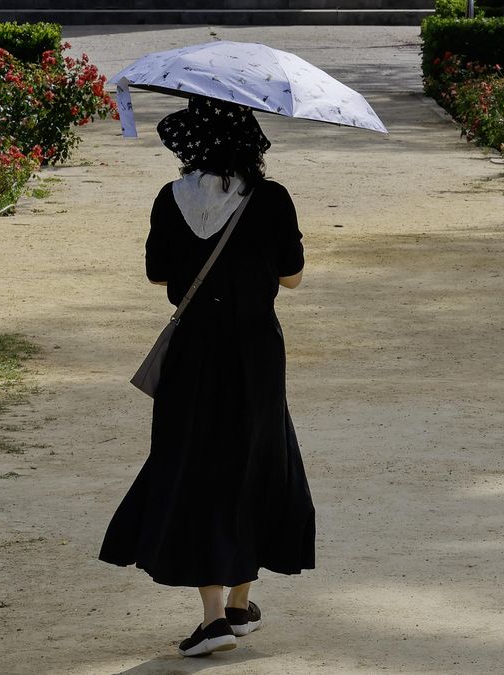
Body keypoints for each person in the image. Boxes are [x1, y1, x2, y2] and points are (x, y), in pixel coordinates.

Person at [99, 96, 316, 657]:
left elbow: (156, 274)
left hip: (195, 346)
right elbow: (291, 279)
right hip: (256, 347)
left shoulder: (170, 199)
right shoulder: (270, 199)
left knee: (195, 463)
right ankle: (240, 605)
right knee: (258, 456)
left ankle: (219, 615)